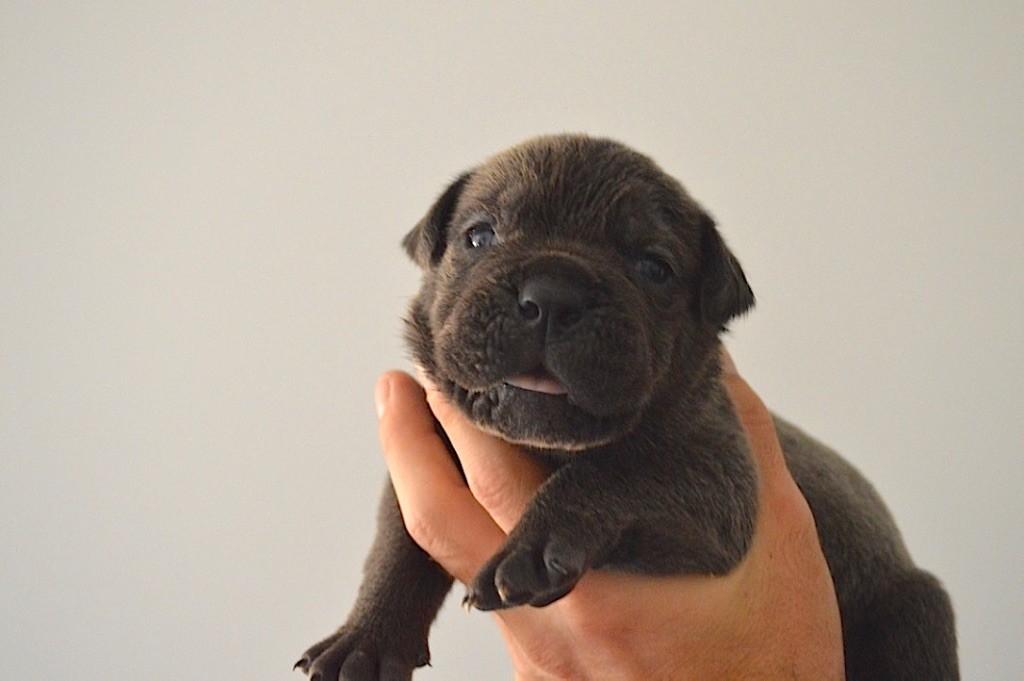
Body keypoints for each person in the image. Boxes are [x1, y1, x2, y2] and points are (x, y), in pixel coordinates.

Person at [373, 350, 845, 679]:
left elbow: (713, 509)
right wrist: (381, 625)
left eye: (649, 267)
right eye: (481, 238)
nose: (547, 305)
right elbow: (434, 502)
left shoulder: (691, 414)